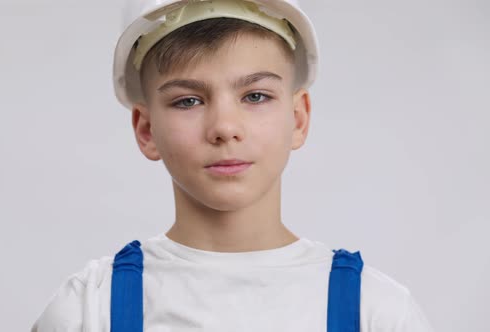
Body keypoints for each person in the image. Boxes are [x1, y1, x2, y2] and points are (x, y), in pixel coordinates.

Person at [31, 0, 434, 331]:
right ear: (147, 129)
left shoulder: (377, 313)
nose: (224, 127)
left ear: (298, 118)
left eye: (256, 96)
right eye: (188, 100)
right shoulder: (88, 311)